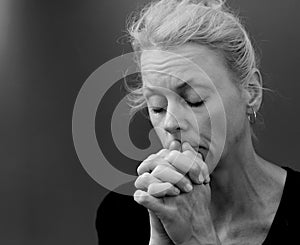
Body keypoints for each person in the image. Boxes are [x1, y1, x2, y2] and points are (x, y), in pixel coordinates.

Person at [96, 0, 300, 244]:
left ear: (252, 92)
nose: (170, 123)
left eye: (194, 101)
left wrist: (198, 237)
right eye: (157, 107)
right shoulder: (123, 214)